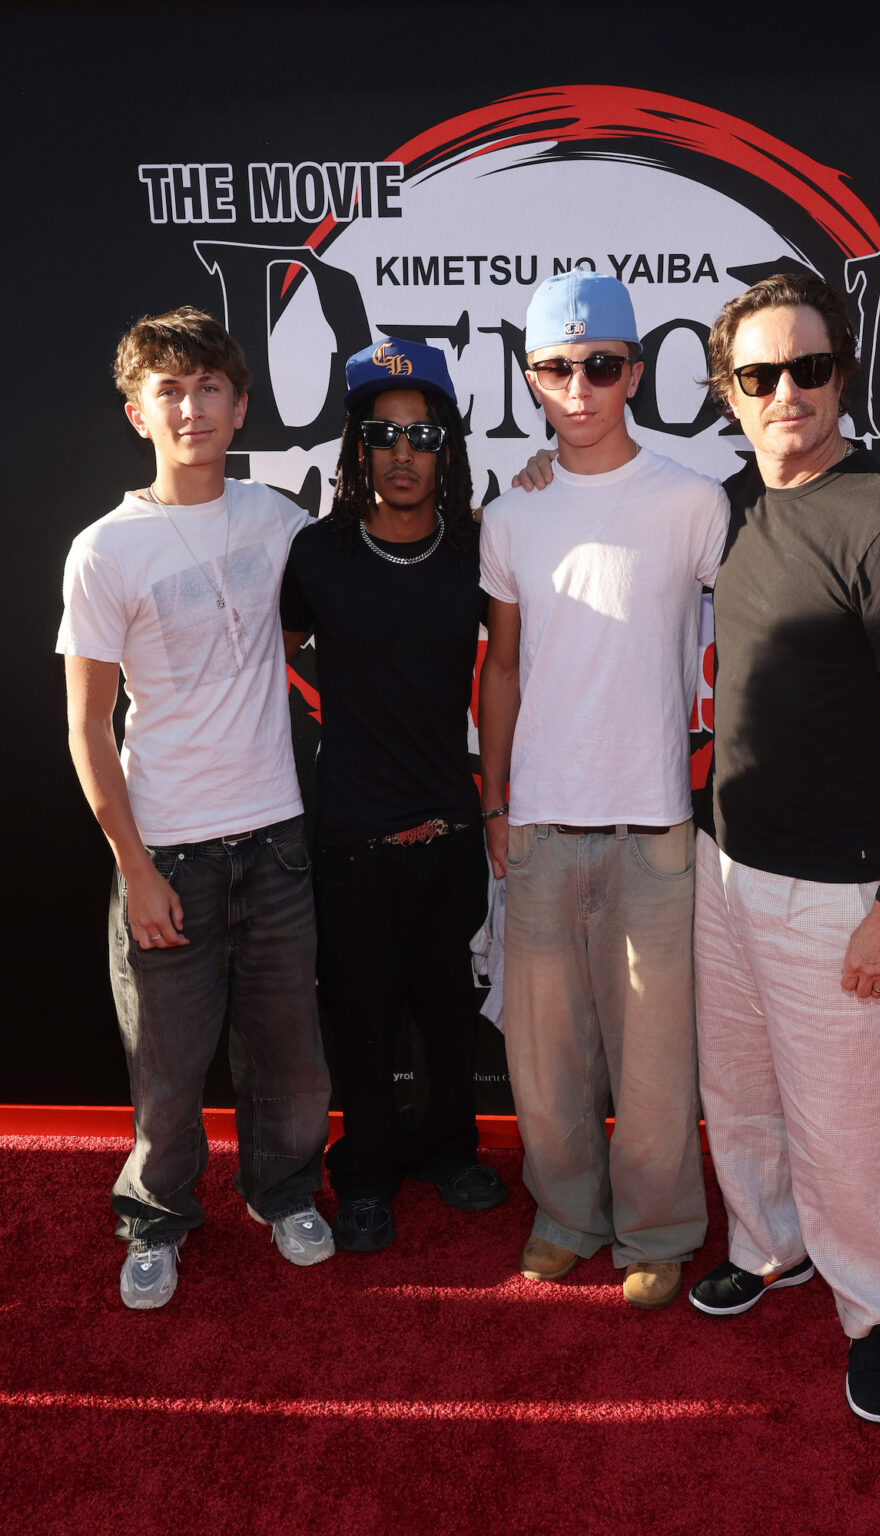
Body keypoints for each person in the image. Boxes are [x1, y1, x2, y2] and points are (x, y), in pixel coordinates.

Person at [686, 273, 880, 1422]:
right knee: (739, 1093)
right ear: (726, 393)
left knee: (843, 1124)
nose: (785, 393)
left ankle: (873, 1310)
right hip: (725, 865)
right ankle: (767, 1248)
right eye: (759, 376)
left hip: (840, 888)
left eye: (807, 369)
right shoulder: (726, 507)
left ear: (840, 376)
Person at [57, 307, 334, 1311]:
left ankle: (285, 1191)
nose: (190, 407)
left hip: (278, 842)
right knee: (168, 1076)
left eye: (208, 387)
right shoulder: (104, 552)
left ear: (240, 403)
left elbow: (355, 589)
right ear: (138, 412)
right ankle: (157, 1220)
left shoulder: (278, 519)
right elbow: (89, 729)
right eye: (168, 391)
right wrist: (133, 866)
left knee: (293, 1062)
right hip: (168, 854)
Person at [478, 272, 729, 1310]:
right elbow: (499, 668)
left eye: (599, 367)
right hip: (536, 821)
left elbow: (746, 645)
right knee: (542, 1060)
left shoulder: (692, 502)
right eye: (553, 368)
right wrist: (495, 802)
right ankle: (565, 1216)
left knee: (659, 1061)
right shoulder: (510, 511)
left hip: (654, 827)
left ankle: (659, 1229)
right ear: (529, 377)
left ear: (633, 371)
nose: (576, 389)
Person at [280, 338, 508, 1253]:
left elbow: (519, 669)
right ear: (357, 450)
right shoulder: (316, 555)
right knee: (363, 1021)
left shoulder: (477, 552)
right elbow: (264, 655)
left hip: (451, 827)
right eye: (383, 435)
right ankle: (367, 1170)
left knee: (448, 1013)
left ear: (446, 447)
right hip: (350, 838)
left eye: (422, 434)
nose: (403, 452)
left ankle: (452, 1151)